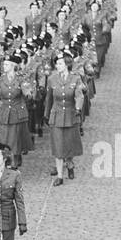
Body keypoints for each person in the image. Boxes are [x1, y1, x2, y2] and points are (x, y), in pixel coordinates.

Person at [44, 49, 84, 185]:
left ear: (66, 64)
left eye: (60, 64)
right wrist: (46, 114)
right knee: (58, 147)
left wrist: (78, 108)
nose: (57, 66)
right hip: (56, 117)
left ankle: (70, 163)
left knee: (69, 144)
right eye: (57, 64)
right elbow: (48, 98)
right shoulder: (52, 79)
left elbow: (79, 94)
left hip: (71, 115)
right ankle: (60, 176)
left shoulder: (75, 78)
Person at [0, 56, 32, 168]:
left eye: (6, 64)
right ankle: (7, 160)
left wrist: (28, 94)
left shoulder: (21, 79)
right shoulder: (0, 80)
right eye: (4, 64)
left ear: (13, 66)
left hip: (17, 113)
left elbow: (27, 93)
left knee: (15, 139)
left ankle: (15, 159)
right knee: (4, 139)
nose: (3, 66)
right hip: (3, 113)